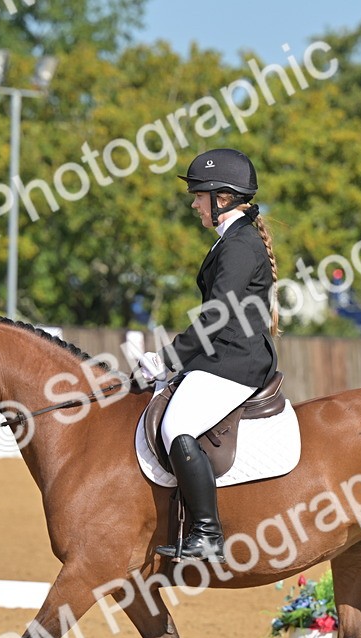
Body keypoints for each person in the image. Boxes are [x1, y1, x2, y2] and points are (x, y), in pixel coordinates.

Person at [138, 148, 280, 563]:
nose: (194, 203)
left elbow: (215, 318)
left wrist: (167, 358)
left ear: (223, 198)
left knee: (177, 424)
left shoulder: (238, 246)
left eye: (200, 195)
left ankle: (206, 532)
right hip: (224, 356)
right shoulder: (235, 240)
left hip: (234, 361)